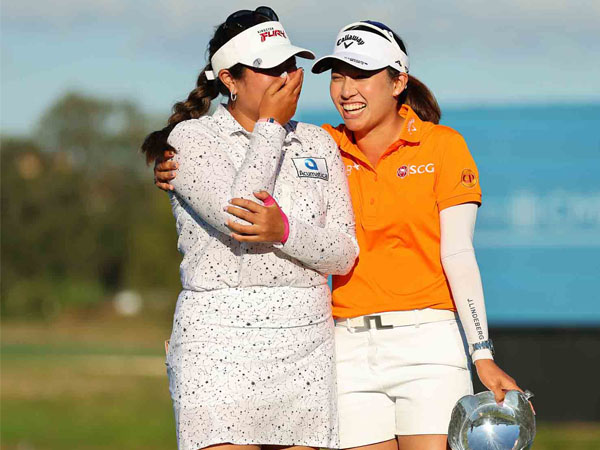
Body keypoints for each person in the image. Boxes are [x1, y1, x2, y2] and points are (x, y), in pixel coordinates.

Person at [155, 19, 526, 450]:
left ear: (398, 80)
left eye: (362, 74)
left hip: (424, 343)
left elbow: (451, 254)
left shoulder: (431, 146)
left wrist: (482, 353)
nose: (346, 89)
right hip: (344, 345)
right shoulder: (322, 142)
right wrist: (174, 166)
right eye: (337, 75)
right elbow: (238, 195)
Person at [142, 7, 358, 450]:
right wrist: (271, 127)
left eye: (289, 64)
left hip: (307, 343)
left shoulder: (318, 142)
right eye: (268, 68)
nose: (285, 76)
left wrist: (285, 230)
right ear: (229, 79)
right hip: (218, 342)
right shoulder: (189, 139)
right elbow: (240, 214)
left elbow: (343, 251)